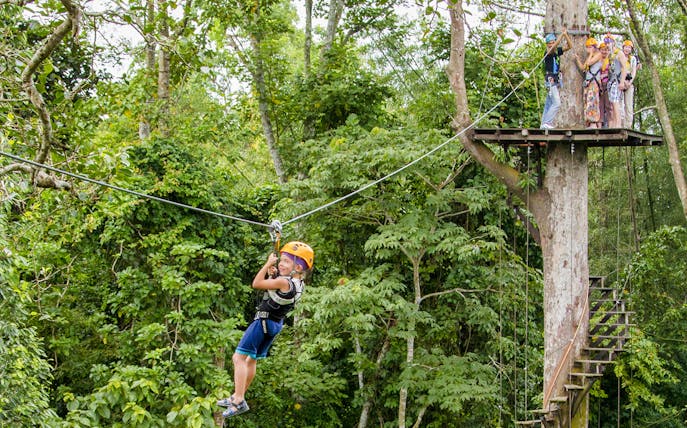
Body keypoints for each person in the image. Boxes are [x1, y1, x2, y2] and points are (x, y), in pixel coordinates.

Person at [217, 241, 314, 418]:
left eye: (285, 261)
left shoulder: (284, 283)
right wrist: (273, 275)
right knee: (251, 360)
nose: (280, 264)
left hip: (262, 322)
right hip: (274, 325)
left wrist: (268, 265)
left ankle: (238, 399)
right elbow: (276, 289)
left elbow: (257, 283)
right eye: (280, 261)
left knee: (238, 357)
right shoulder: (297, 285)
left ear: (298, 267)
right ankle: (239, 397)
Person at [540, 28, 573, 129]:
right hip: (550, 80)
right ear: (547, 44)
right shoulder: (548, 52)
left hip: (555, 79)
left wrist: (566, 35)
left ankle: (543, 123)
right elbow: (553, 47)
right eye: (549, 43)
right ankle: (547, 122)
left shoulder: (556, 52)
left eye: (552, 42)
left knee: (549, 103)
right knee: (557, 103)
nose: (551, 44)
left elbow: (570, 46)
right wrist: (561, 35)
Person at [575, 37, 604, 128]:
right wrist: (577, 60)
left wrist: (591, 53)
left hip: (594, 82)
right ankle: (588, 121)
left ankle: (593, 122)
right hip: (588, 82)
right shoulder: (590, 56)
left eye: (589, 47)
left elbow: (589, 63)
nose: (588, 49)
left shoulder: (598, 54)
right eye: (587, 47)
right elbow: (583, 68)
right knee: (587, 101)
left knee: (593, 101)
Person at [604, 34, 628, 128]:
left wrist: (622, 82)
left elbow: (624, 68)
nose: (607, 44)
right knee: (611, 102)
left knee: (615, 101)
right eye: (606, 42)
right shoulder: (609, 54)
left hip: (617, 80)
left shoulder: (619, 53)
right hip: (610, 80)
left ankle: (618, 124)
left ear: (613, 43)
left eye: (609, 42)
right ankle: (613, 123)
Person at [622, 39, 639, 128]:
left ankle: (628, 125)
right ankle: (621, 124)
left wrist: (629, 82)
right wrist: (623, 81)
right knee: (620, 104)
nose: (627, 49)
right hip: (621, 81)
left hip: (629, 82)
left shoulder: (632, 59)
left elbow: (633, 71)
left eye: (629, 48)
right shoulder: (620, 57)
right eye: (626, 47)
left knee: (629, 105)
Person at [597, 42, 612, 128]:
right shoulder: (598, 60)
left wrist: (605, 75)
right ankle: (600, 124)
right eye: (602, 50)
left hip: (607, 83)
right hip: (599, 83)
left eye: (606, 50)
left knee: (608, 104)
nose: (604, 52)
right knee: (600, 104)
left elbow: (611, 72)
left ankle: (610, 124)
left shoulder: (610, 60)